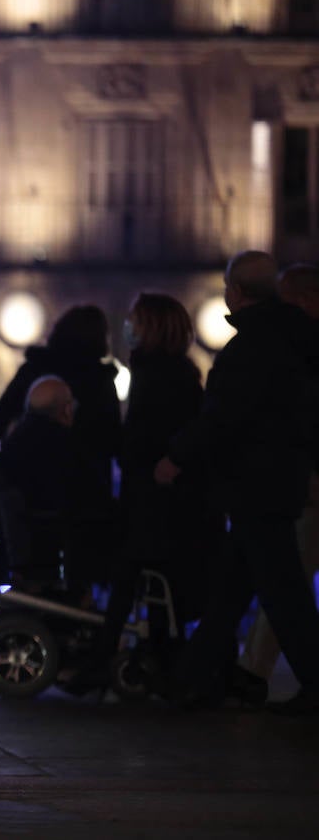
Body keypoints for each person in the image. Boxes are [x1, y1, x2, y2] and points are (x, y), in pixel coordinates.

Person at [157, 251, 319, 714]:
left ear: (236, 291)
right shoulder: (295, 340)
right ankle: (191, 678)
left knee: (283, 594)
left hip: (255, 484)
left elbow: (224, 416)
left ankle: (313, 682)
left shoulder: (253, 346)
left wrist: (176, 457)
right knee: (235, 588)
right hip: (277, 479)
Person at [71, 293, 221, 691]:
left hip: (155, 499)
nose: (128, 327)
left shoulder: (158, 374)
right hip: (156, 497)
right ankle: (151, 654)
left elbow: (146, 436)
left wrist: (116, 443)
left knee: (131, 571)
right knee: (143, 576)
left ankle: (109, 657)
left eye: (135, 321)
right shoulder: (174, 371)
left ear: (150, 327)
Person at [241, 264, 319, 684]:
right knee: (287, 581)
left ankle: (255, 672)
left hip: (306, 483)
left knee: (286, 584)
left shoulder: (295, 347)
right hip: (301, 479)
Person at [0, 304, 121, 508]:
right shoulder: (100, 381)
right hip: (86, 496)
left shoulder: (34, 371)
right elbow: (111, 439)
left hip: (29, 490)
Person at [0, 375, 103, 591]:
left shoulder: (13, 446)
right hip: (60, 545)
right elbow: (93, 498)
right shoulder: (67, 447)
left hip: (27, 550)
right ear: (67, 410)